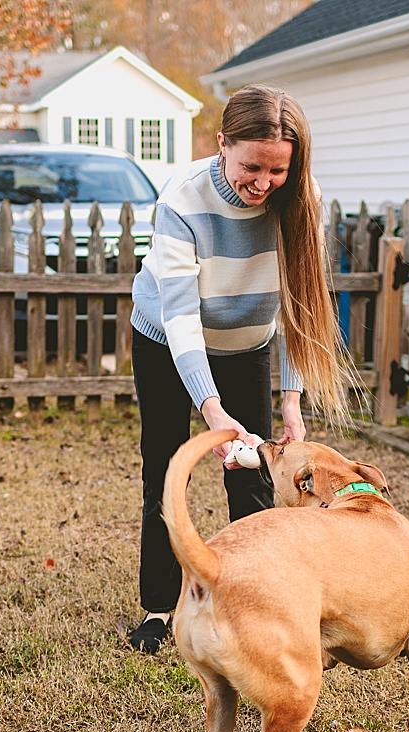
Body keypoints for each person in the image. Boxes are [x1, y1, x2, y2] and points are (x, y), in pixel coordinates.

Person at [126, 83, 351, 654]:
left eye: (277, 171)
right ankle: (158, 607)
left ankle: (243, 600)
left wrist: (292, 401)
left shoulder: (301, 197)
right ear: (222, 144)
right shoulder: (182, 199)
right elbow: (179, 319)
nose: (262, 183)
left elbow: (300, 304)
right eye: (252, 166)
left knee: (248, 473)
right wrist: (213, 410)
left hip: (248, 342)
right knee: (166, 466)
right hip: (168, 341)